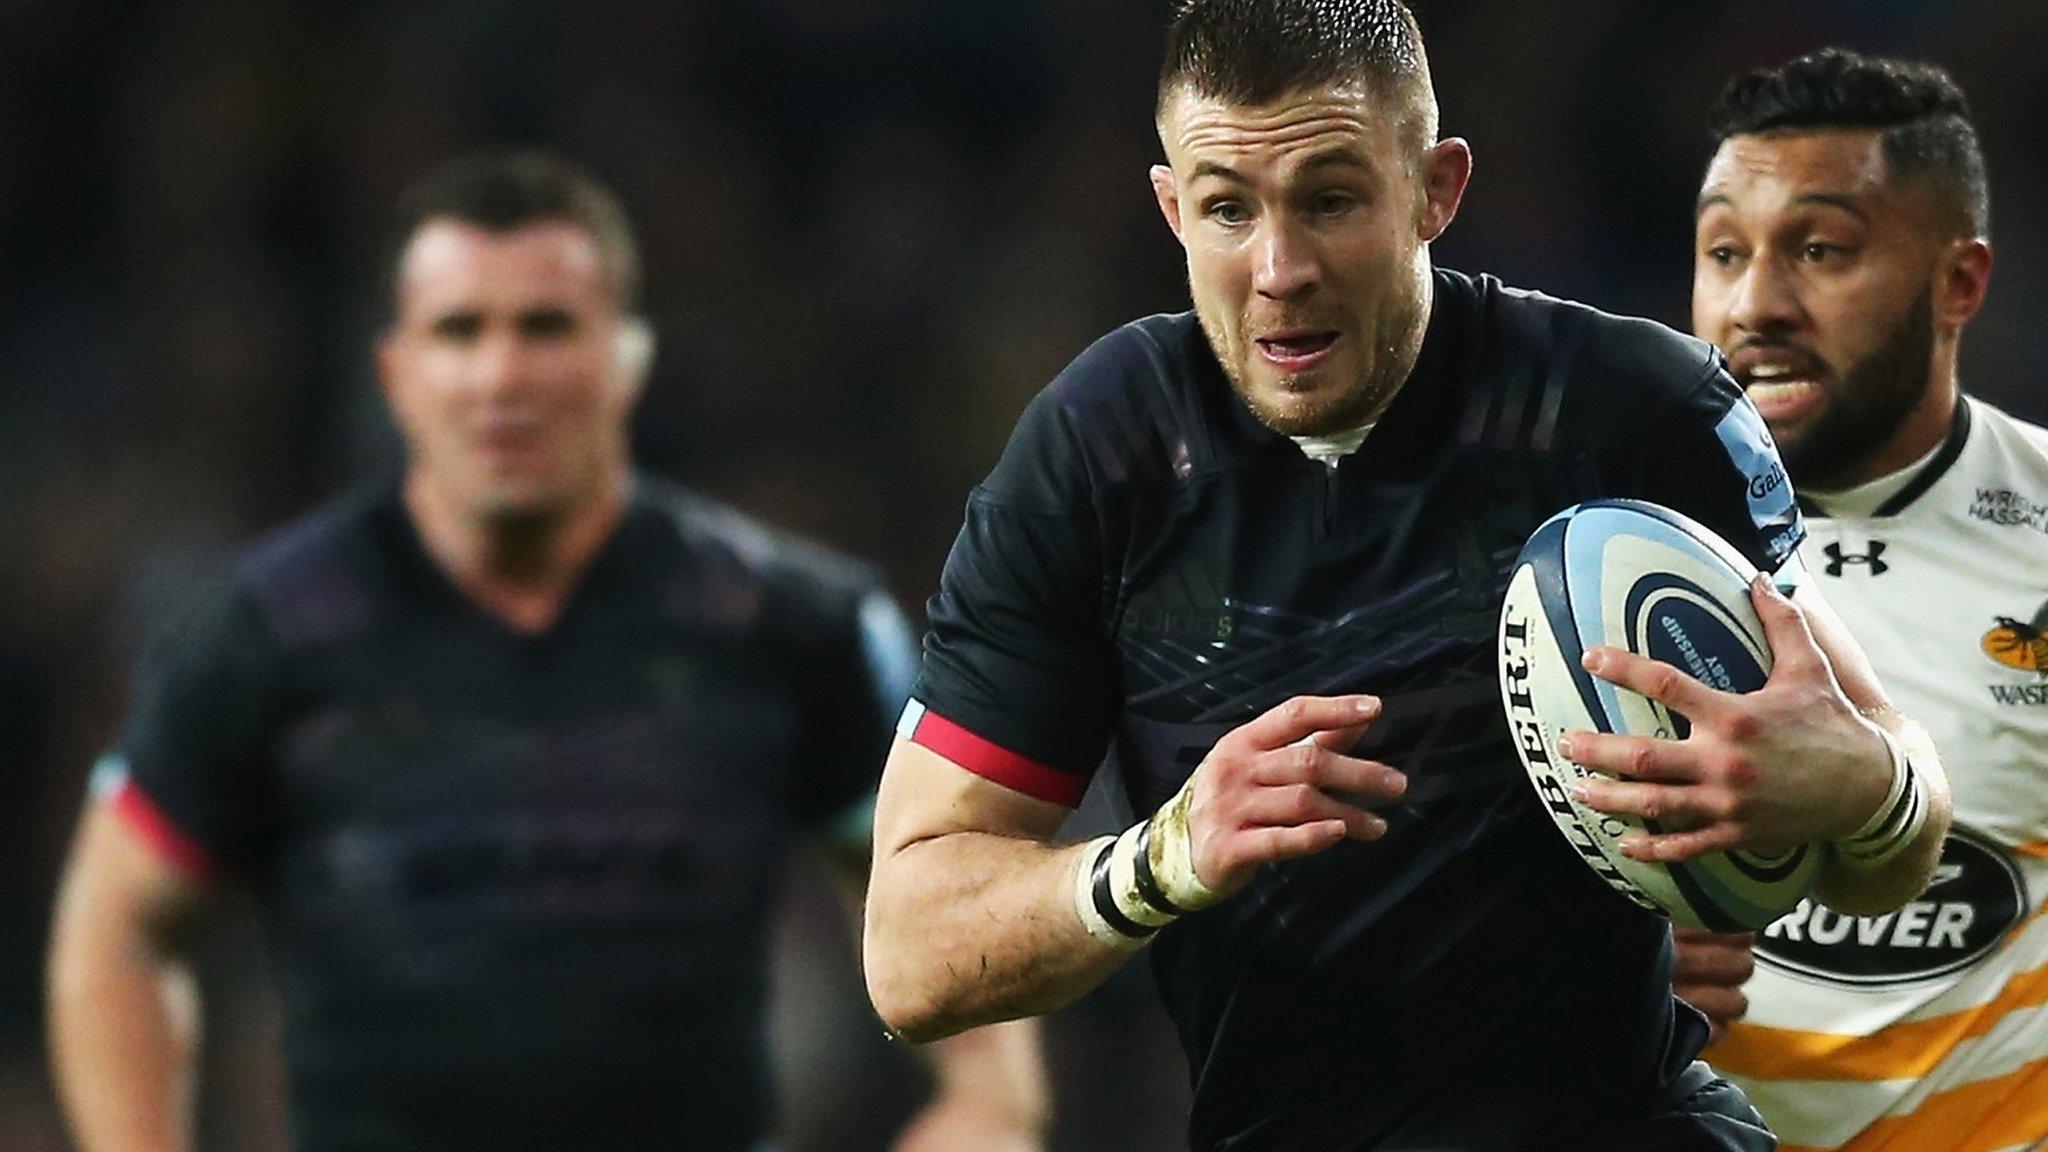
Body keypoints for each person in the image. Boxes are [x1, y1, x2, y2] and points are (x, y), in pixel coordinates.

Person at [861, 2, 1956, 1149]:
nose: (1278, 269)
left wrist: (1856, 791)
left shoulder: (1634, 411)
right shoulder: (1101, 454)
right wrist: (1160, 858)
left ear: (1435, 190)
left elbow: (1896, 821)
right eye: (1227, 210)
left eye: (1329, 200)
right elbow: (909, 957)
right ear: (1171, 208)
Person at [45, 150, 1046, 1152]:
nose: (500, 375)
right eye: (458, 330)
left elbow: (950, 891)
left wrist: (986, 1107)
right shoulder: (265, 631)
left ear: (628, 357)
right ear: (395, 372)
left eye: (546, 326)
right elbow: (115, 927)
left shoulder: (791, 625)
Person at [1677, 48, 2048, 1152]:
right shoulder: (1588, 559)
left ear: (1958, 283)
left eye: (1819, 251)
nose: (1754, 305)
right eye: (1721, 253)